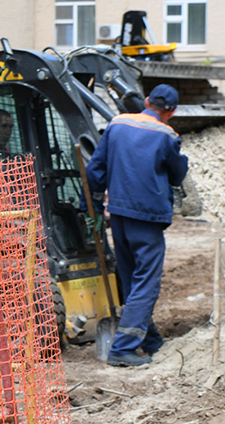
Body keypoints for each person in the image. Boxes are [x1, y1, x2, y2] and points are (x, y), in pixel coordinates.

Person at [86, 84, 189, 367]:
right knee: (146, 282)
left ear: (146, 101)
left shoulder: (117, 124)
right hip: (148, 217)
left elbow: (95, 170)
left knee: (132, 279)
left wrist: (94, 207)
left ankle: (150, 339)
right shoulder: (167, 135)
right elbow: (178, 175)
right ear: (172, 112)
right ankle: (123, 348)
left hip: (118, 214)